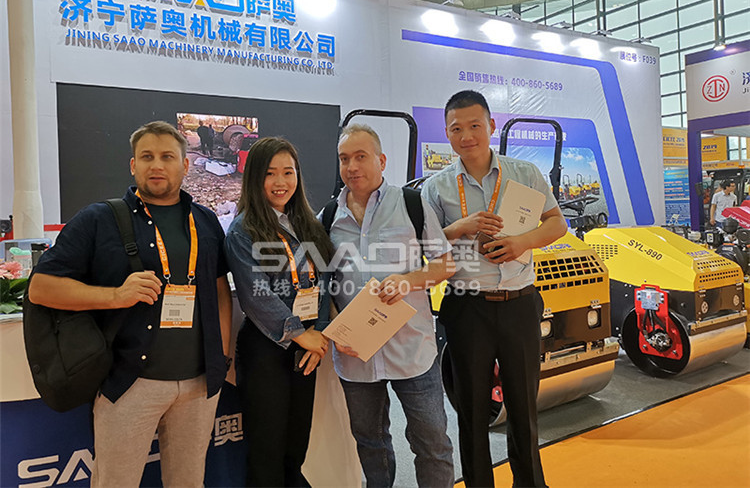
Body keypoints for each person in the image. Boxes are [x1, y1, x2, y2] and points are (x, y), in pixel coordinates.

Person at [28, 121, 233, 487]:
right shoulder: (98, 219)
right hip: (129, 383)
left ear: (185, 165)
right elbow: (41, 289)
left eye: (167, 157)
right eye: (147, 157)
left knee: (189, 482)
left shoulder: (205, 221)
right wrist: (114, 296)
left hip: (199, 384)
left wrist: (222, 355)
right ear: (133, 165)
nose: (157, 165)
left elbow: (219, 291)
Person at [421, 90, 567, 488]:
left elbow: (557, 223)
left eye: (475, 125)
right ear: (447, 133)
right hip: (467, 307)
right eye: (456, 129)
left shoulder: (524, 174)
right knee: (472, 411)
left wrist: (523, 243)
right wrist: (459, 228)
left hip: (519, 304)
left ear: (491, 125)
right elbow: (425, 247)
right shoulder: (436, 188)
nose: (466, 136)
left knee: (523, 407)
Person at [327, 124, 455, 488]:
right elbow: (324, 284)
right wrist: (335, 326)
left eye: (361, 157)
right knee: (371, 444)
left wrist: (408, 281)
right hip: (356, 356)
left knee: (432, 443)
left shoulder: (412, 204)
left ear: (381, 161)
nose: (352, 166)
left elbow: (445, 264)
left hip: (412, 350)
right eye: (344, 159)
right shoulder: (328, 216)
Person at [224, 137, 333, 487]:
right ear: (254, 177)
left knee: (296, 445)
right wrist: (301, 334)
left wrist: (319, 333)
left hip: (306, 347)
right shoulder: (243, 230)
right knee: (266, 450)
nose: (281, 182)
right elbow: (257, 296)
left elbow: (323, 282)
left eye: (288, 172)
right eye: (270, 173)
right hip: (266, 350)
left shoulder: (307, 224)